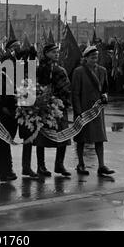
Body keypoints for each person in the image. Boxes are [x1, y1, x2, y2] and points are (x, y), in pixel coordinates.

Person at [71, 46, 115, 176]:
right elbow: (75, 93)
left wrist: (105, 96)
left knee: (99, 137)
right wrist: (78, 111)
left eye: (96, 57)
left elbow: (105, 88)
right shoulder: (78, 72)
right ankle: (80, 164)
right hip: (83, 109)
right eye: (92, 57)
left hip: (97, 109)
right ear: (85, 58)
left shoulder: (103, 70)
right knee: (81, 138)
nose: (95, 59)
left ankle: (101, 165)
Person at [36, 44, 72, 177]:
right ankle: (41, 166)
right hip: (44, 106)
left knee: (62, 135)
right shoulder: (40, 69)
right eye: (53, 52)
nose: (56, 54)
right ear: (46, 53)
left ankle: (59, 164)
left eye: (57, 52)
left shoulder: (60, 68)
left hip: (59, 106)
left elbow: (66, 87)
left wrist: (64, 101)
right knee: (42, 137)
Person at [0, 39, 20, 181]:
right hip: (4, 113)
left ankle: (7, 170)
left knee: (7, 142)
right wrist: (3, 109)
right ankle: (4, 172)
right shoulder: (1, 75)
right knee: (2, 143)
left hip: (12, 111)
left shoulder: (15, 75)